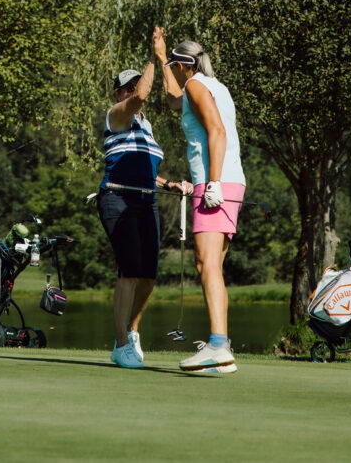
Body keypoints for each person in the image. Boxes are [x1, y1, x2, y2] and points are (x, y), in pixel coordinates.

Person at [154, 29, 245, 374]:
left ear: (183, 66)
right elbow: (172, 99)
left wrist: (213, 184)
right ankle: (220, 347)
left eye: (174, 67)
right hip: (223, 182)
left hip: (217, 184)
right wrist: (162, 57)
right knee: (208, 266)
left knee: (207, 264)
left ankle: (218, 345)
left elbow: (217, 132)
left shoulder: (196, 86)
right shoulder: (211, 86)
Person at [95, 37, 168, 369]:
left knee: (149, 275)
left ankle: (132, 330)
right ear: (117, 94)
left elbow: (145, 170)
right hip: (117, 198)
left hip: (146, 201)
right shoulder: (117, 116)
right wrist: (156, 57)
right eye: (126, 87)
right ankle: (121, 343)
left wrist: (171, 184)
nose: (132, 91)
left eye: (134, 86)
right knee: (129, 271)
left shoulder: (146, 128)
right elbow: (142, 97)